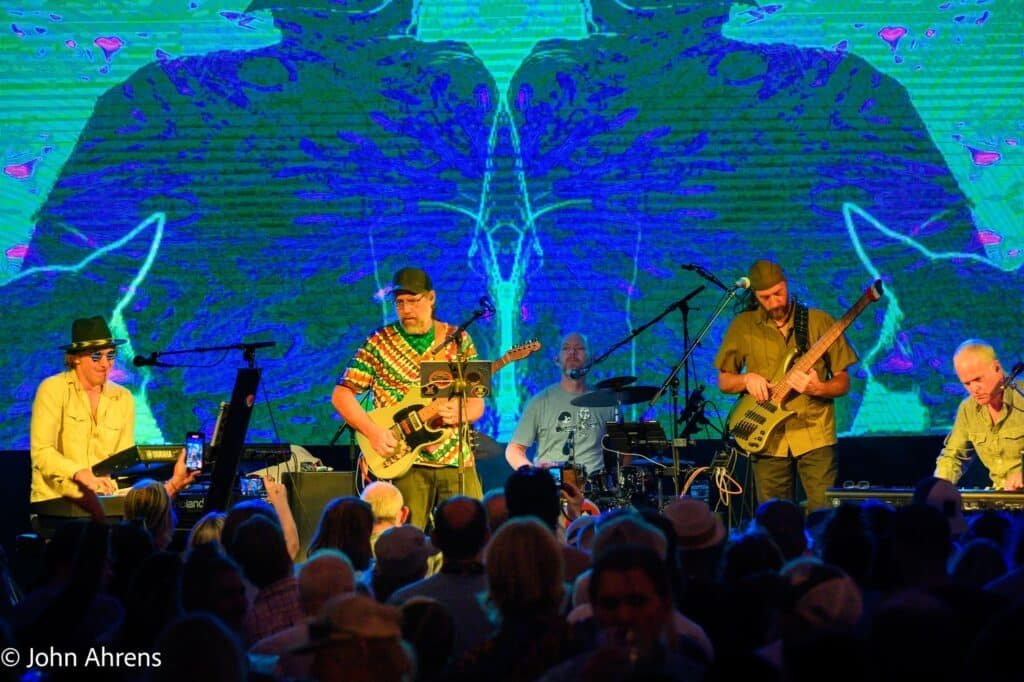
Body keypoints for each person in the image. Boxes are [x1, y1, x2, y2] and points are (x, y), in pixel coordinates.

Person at [332, 267, 486, 528]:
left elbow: (477, 402)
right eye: (400, 303)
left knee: (471, 534)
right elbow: (341, 394)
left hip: (455, 461)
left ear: (431, 298)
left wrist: (462, 414)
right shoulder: (379, 342)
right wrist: (372, 432)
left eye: (413, 301)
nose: (405, 309)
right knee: (404, 544)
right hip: (404, 462)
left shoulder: (458, 340)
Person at [715, 260, 858, 513]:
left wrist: (818, 388)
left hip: (815, 434)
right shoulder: (743, 326)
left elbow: (843, 381)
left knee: (823, 515)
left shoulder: (819, 321)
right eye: (765, 297)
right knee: (774, 519)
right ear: (755, 296)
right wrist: (747, 379)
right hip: (767, 438)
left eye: (778, 293)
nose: (774, 302)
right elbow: (725, 381)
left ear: (787, 285)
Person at [30, 316, 195, 505]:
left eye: (110, 355)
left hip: (105, 499)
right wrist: (78, 473)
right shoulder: (52, 389)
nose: (105, 364)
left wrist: (170, 483)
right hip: (59, 500)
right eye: (96, 356)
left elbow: (123, 463)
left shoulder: (123, 398)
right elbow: (42, 453)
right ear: (76, 358)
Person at [505, 332, 616, 479]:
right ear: (556, 360)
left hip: (594, 491)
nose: (572, 352)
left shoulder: (607, 403)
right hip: (551, 489)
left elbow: (623, 452)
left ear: (591, 358)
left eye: (579, 348)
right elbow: (513, 450)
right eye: (566, 348)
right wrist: (534, 474)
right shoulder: (540, 402)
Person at [934, 340, 1024, 491]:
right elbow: (953, 457)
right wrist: (937, 488)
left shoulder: (1021, 396)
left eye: (978, 379)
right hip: (1002, 499)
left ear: (997, 367)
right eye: (967, 384)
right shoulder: (968, 409)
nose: (974, 389)